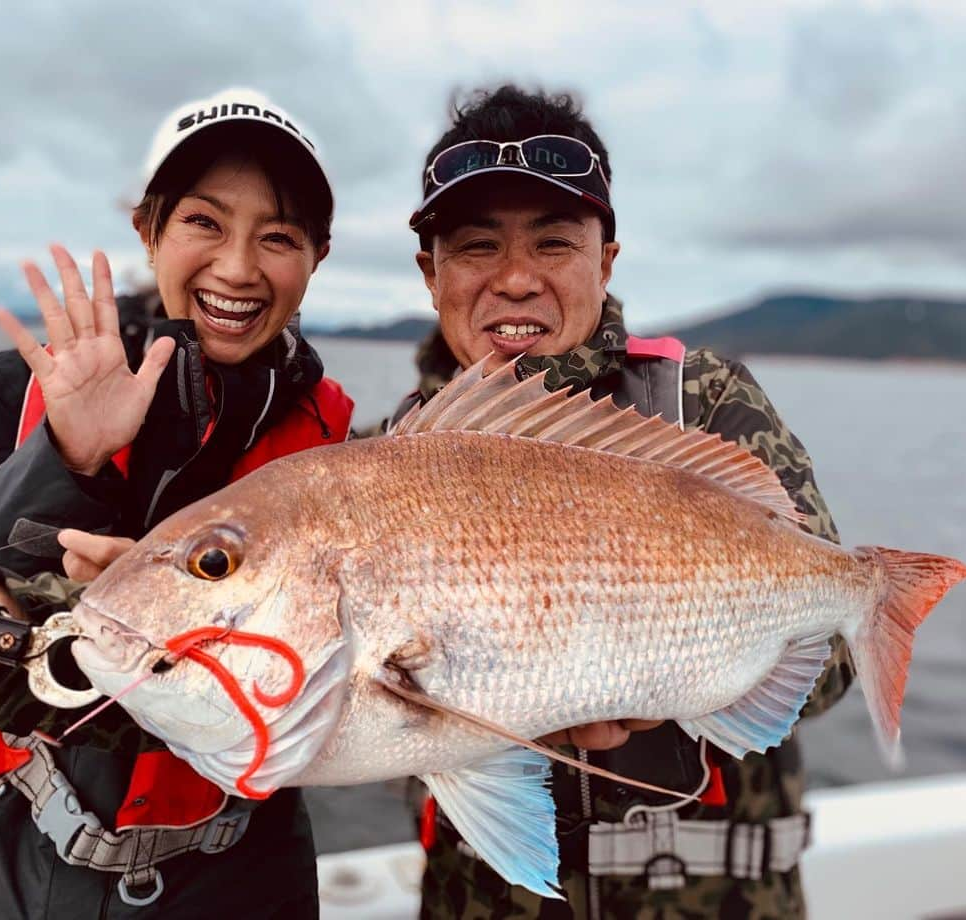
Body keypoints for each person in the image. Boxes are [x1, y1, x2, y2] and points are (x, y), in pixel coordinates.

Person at [392, 85, 853, 919]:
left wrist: (668, 679)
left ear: (606, 260)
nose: (517, 278)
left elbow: (836, 655)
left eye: (555, 242)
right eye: (476, 246)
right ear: (432, 273)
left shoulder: (703, 405)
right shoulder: (388, 463)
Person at [0, 87, 353, 918]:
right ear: (148, 230)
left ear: (317, 258)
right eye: (203, 222)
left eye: (280, 237)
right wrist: (63, 453)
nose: (237, 267)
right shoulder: (9, 390)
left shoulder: (336, 447)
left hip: (236, 870)